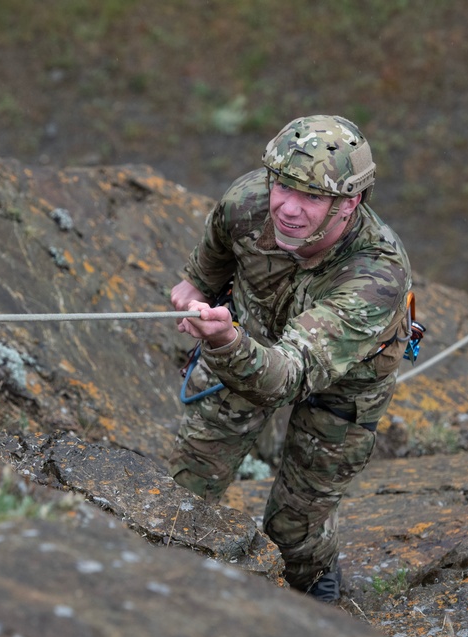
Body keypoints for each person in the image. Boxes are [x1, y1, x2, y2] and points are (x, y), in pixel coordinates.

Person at [168, 114, 412, 603]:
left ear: (350, 203)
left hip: (340, 382)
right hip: (246, 340)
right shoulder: (251, 199)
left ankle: (312, 597)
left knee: (294, 527)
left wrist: (224, 342)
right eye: (283, 186)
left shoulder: (375, 275)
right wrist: (198, 280)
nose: (288, 209)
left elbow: (287, 376)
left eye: (313, 197)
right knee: (189, 486)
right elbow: (220, 237)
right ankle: (166, 585)